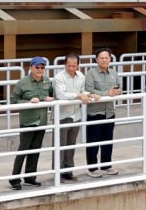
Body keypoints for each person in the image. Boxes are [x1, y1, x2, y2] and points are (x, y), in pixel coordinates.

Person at [9, 57, 55, 189]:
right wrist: (28, 102)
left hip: (42, 121)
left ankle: (30, 177)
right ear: (30, 68)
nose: (40, 70)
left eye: (42, 67)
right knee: (23, 150)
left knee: (35, 150)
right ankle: (14, 178)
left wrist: (50, 98)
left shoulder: (47, 81)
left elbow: (53, 94)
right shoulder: (22, 83)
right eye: (37, 67)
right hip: (27, 121)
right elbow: (13, 101)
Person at [52, 53, 91, 182]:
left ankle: (68, 171)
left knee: (71, 145)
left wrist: (90, 94)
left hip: (76, 115)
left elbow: (82, 91)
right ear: (65, 64)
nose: (71, 68)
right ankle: (57, 173)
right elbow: (61, 95)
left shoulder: (81, 76)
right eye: (69, 65)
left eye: (74, 66)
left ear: (78, 65)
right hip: (62, 116)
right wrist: (78, 95)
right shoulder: (59, 77)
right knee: (59, 146)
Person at [84, 48, 122, 176]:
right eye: (101, 58)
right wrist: (107, 93)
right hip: (95, 112)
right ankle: (92, 168)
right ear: (96, 60)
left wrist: (117, 91)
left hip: (109, 112)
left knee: (107, 140)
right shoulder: (90, 73)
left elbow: (119, 87)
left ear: (110, 59)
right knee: (93, 141)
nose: (104, 60)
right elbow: (89, 90)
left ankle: (106, 165)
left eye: (106, 58)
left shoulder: (114, 73)